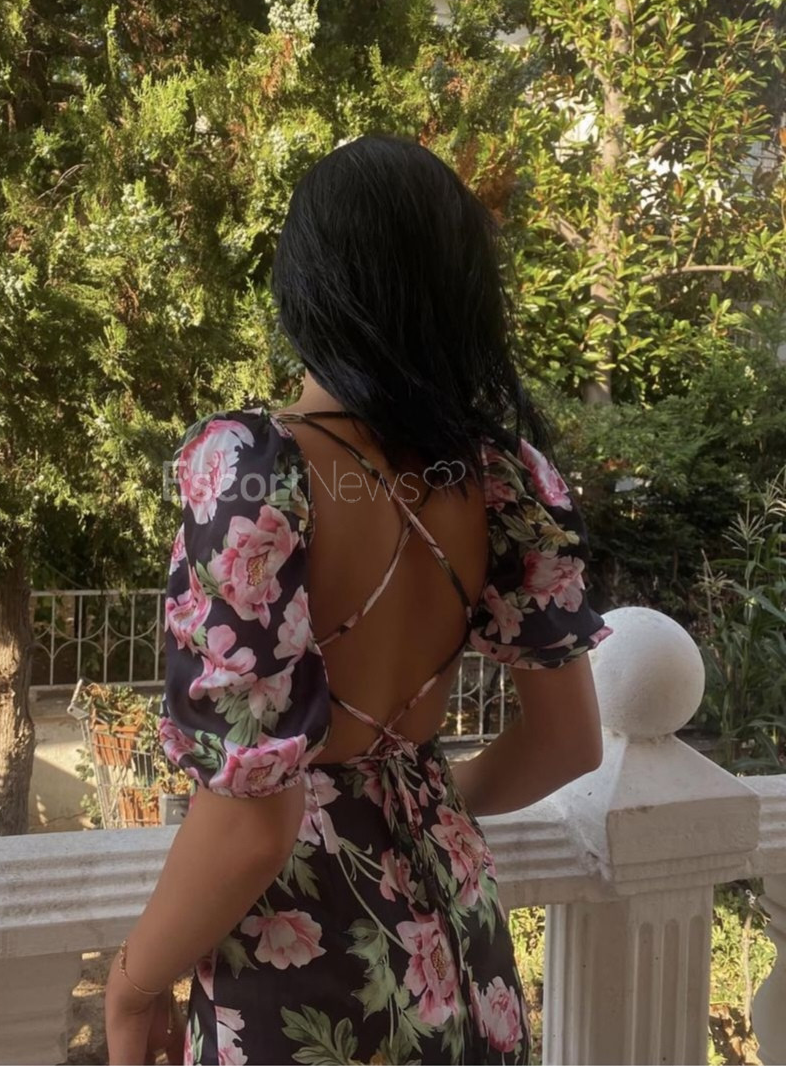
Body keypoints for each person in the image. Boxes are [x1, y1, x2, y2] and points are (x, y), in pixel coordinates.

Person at [105, 135, 611, 1065]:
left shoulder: (255, 475)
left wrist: (131, 985)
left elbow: (254, 824)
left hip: (308, 969)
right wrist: (418, 797)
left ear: (307, 285)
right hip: (463, 950)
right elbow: (568, 740)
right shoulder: (496, 479)